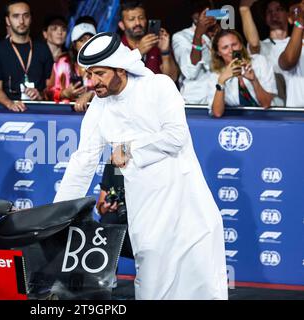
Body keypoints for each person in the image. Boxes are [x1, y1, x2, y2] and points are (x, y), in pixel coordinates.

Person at [54, 32, 228, 300]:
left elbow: (175, 137)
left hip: (187, 204)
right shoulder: (99, 106)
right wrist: (57, 216)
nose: (93, 82)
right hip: (146, 208)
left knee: (201, 283)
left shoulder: (158, 86)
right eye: (90, 74)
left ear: (120, 69)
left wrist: (129, 148)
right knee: (151, 283)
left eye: (99, 73)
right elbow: (83, 160)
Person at [0, 0, 53, 112]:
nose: (21, 21)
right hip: (9, 111)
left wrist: (40, 94)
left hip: (40, 111)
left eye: (25, 16)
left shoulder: (43, 49)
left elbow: (51, 87)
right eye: (16, 16)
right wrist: (10, 104)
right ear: (8, 20)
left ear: (31, 18)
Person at [208, 30, 277, 117]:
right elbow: (217, 113)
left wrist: (254, 80)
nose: (231, 50)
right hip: (238, 122)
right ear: (218, 53)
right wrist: (221, 81)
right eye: (225, 47)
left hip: (265, 118)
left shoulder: (260, 62)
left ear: (241, 45)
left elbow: (266, 104)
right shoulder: (215, 75)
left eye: (234, 45)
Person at [239, 0, 290, 106]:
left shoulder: (300, 44)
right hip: (275, 110)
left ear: (288, 15)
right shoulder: (262, 46)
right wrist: (244, 9)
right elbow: (254, 44)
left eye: (279, 9)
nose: (274, 14)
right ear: (265, 19)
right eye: (269, 11)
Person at [172, 1, 220, 104]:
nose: (207, 16)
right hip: (194, 100)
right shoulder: (181, 36)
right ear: (194, 16)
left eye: (210, 11)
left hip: (218, 100)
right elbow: (191, 72)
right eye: (201, 13)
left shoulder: (220, 35)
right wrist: (198, 35)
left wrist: (218, 38)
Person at [118, 0, 178, 81]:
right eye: (131, 19)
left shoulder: (156, 42)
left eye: (141, 18)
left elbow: (172, 78)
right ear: (122, 25)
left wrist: (165, 52)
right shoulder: (117, 48)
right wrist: (139, 52)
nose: (138, 23)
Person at [45, 21, 96, 111]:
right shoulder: (63, 62)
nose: (87, 43)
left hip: (96, 114)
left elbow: (112, 91)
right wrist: (64, 94)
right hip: (67, 115)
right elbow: (48, 93)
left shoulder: (104, 64)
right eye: (82, 40)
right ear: (74, 44)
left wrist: (91, 94)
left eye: (91, 39)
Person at [96, 162, 133, 259]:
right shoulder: (112, 164)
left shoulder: (148, 160)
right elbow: (101, 208)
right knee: (108, 220)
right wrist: (106, 206)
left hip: (144, 216)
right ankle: (105, 271)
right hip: (119, 215)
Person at [278, 0, 304, 107]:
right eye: (297, 11)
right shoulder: (282, 44)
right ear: (290, 19)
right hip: (297, 114)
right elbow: (288, 61)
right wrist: (300, 22)